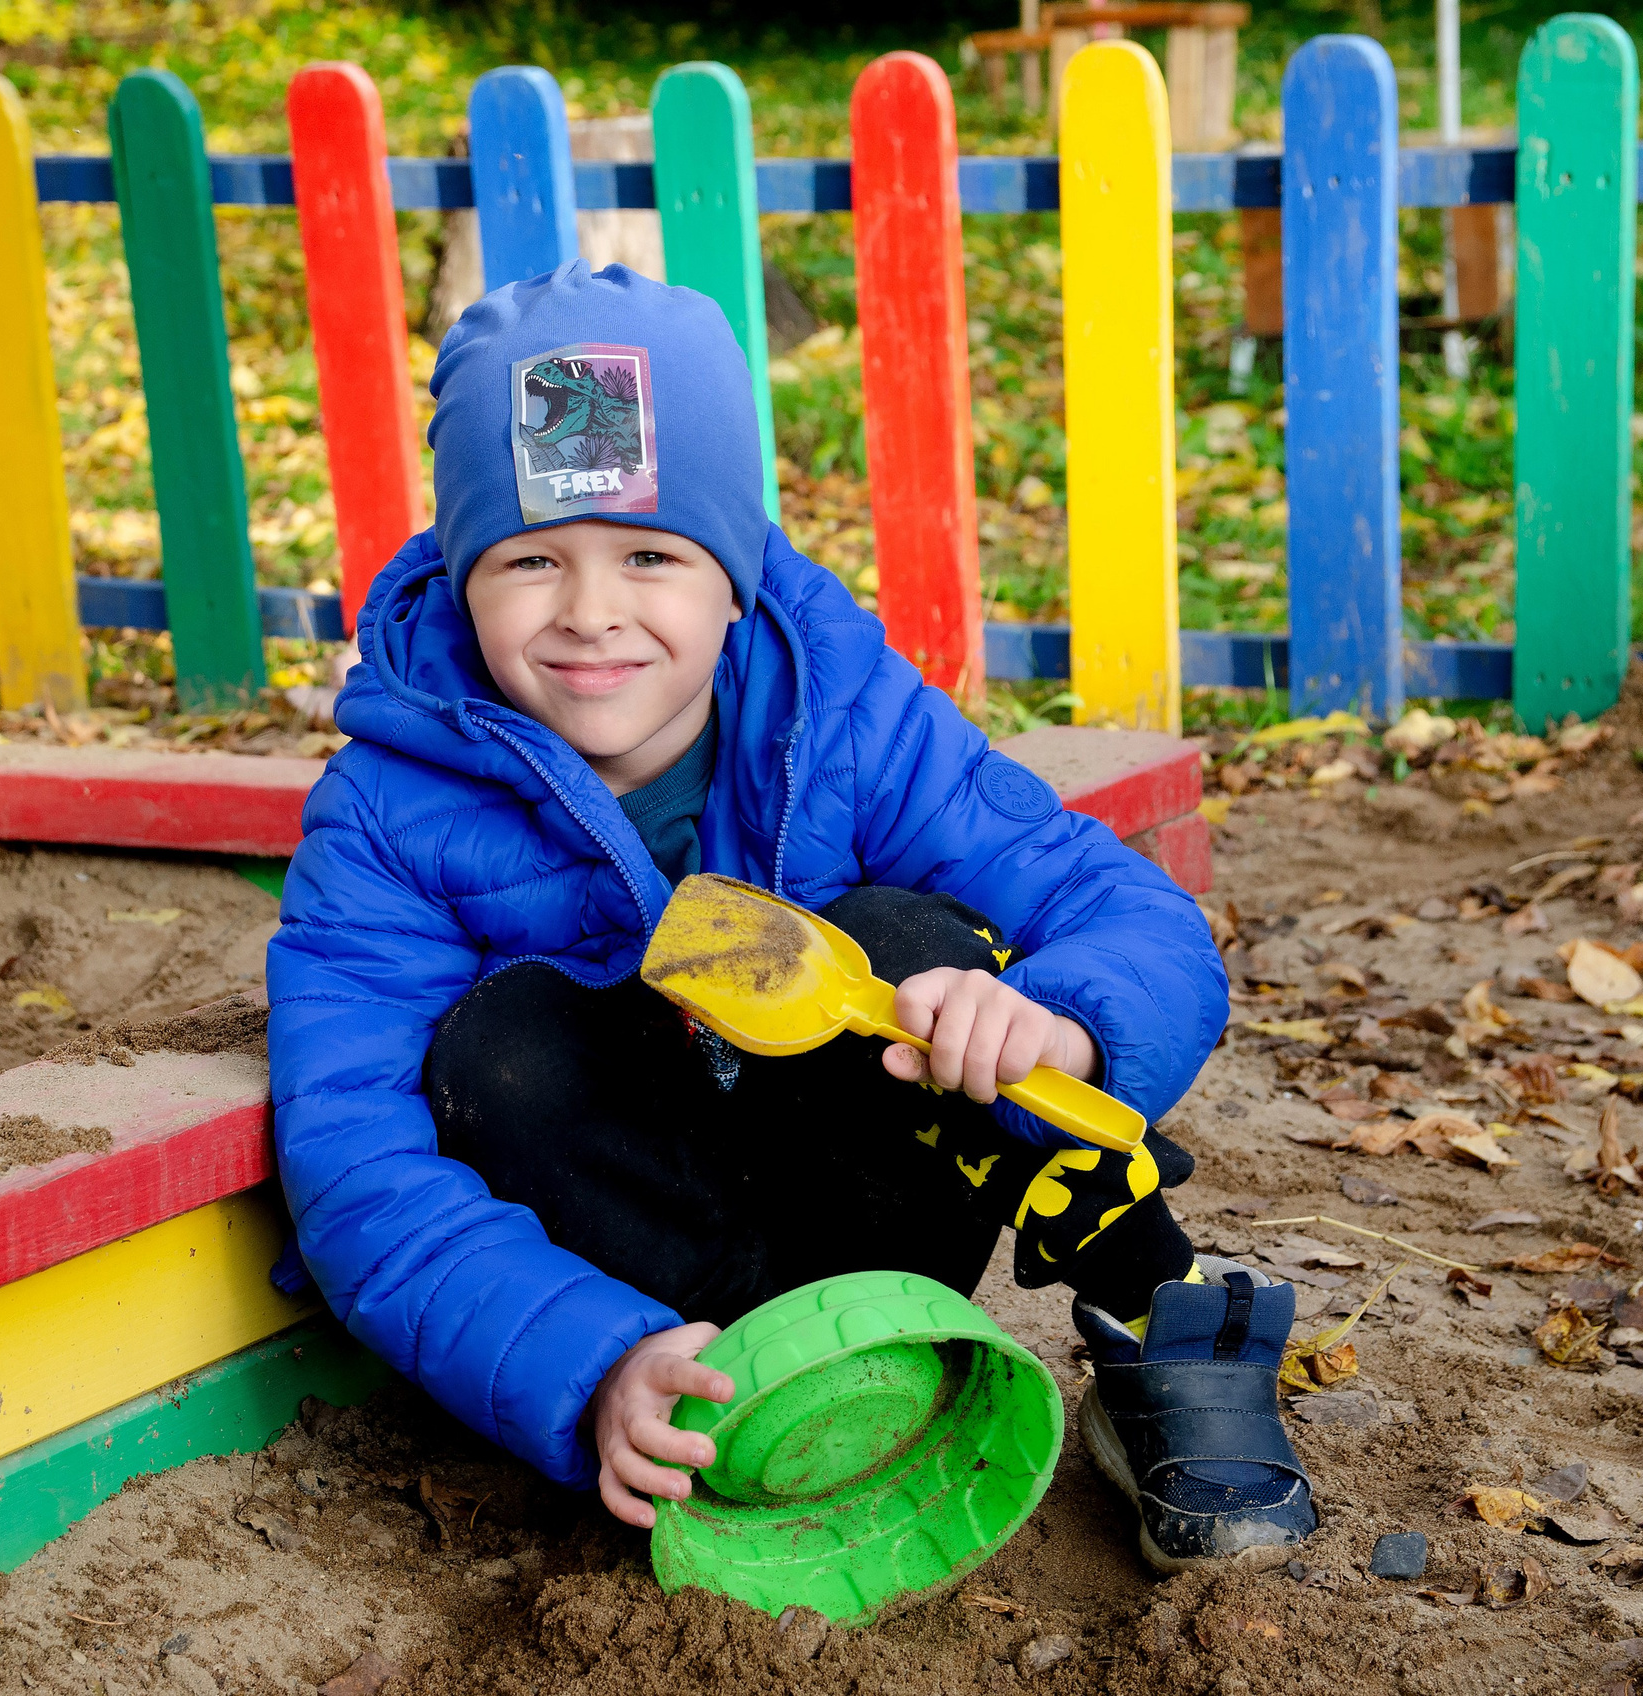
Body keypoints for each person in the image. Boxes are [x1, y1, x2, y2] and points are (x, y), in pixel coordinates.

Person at [265, 262, 1315, 1572]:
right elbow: (351, 1159)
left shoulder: (839, 713)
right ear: (462, 574)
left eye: (650, 554)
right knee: (500, 1049)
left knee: (916, 949)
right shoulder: (388, 813)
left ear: (736, 572)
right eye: (530, 559)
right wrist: (589, 1362)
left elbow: (1124, 911)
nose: (590, 612)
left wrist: (1062, 1027)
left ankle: (1157, 1320)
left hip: (862, 1189)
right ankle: (733, 1409)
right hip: (658, 1276)